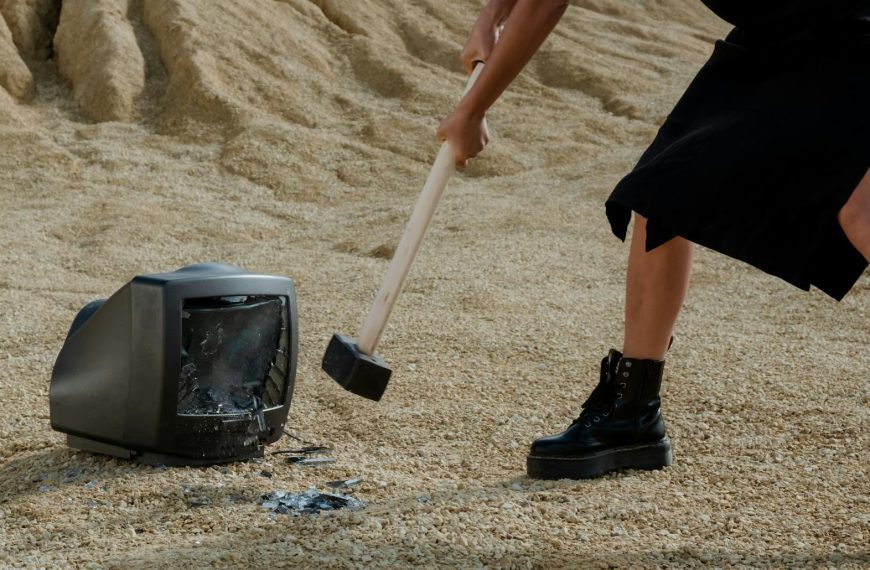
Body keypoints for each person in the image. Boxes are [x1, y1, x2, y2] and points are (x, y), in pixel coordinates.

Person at [436, 0, 870, 479]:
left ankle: (631, 413)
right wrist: (492, 17)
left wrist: (473, 110)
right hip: (780, 36)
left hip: (850, 36)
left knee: (861, 217)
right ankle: (632, 413)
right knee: (664, 191)